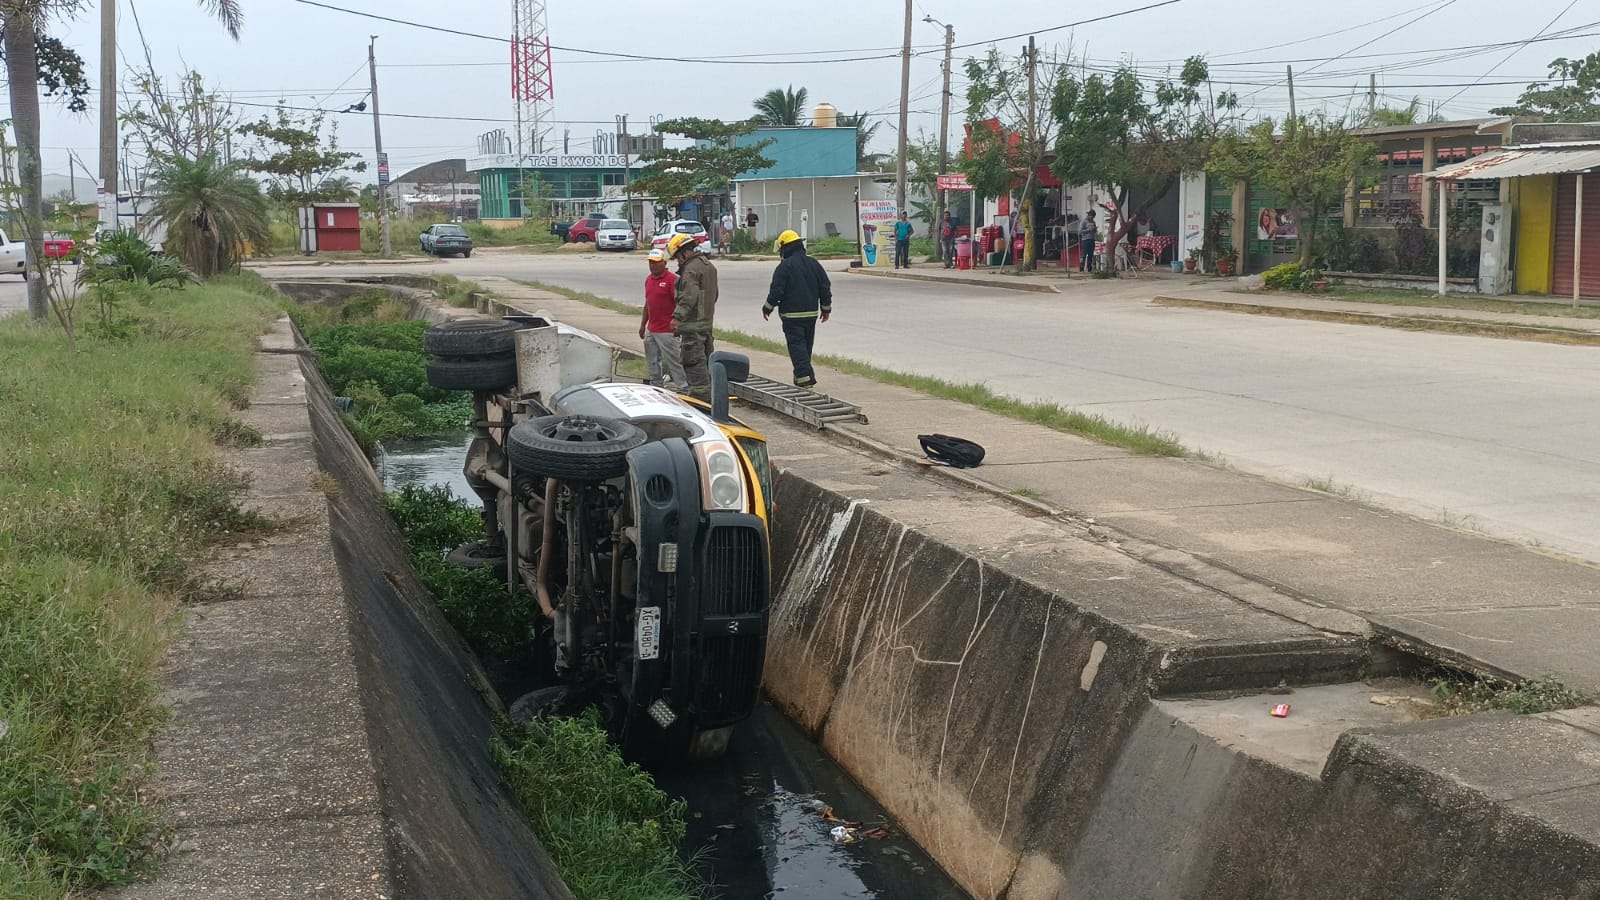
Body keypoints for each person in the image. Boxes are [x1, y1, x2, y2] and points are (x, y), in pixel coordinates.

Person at [764, 230, 832, 389]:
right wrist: (826, 308)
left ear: (785, 248)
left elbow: (776, 291)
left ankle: (804, 380)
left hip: (792, 316)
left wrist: (767, 307)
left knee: (797, 348)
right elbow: (825, 287)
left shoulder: (784, 267)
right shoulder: (814, 263)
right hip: (811, 314)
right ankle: (801, 376)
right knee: (806, 348)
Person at [668, 233, 719, 402]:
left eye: (677, 257)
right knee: (705, 365)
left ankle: (700, 403)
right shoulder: (708, 266)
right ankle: (709, 398)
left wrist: (677, 318)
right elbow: (714, 295)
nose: (678, 261)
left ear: (684, 253)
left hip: (693, 328)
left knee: (694, 364)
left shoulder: (690, 270)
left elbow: (689, 296)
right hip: (706, 325)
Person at [638, 248, 686, 390]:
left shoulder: (673, 280)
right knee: (652, 360)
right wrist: (643, 325)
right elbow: (648, 303)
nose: (653, 265)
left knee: (675, 361)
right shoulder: (649, 280)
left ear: (664, 263)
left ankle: (684, 387)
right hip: (651, 329)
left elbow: (681, 304)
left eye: (656, 262)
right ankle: (656, 385)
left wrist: (677, 322)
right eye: (651, 262)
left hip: (667, 330)